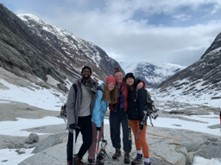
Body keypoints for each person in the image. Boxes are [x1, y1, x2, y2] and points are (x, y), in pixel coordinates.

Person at [66, 66, 98, 165]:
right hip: (76, 119)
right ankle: (70, 161)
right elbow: (70, 105)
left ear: (90, 73)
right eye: (84, 71)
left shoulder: (93, 86)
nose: (86, 73)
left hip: (87, 118)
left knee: (88, 141)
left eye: (88, 71)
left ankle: (78, 158)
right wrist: (71, 121)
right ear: (81, 73)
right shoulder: (76, 86)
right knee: (71, 142)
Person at [88, 75, 118, 164]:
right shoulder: (101, 92)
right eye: (110, 83)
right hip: (95, 120)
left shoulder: (108, 92)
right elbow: (96, 109)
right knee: (94, 139)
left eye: (113, 84)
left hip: (99, 120)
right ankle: (91, 158)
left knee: (98, 138)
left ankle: (94, 156)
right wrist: (97, 123)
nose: (111, 85)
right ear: (107, 83)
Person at [125, 72, 151, 165]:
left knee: (142, 138)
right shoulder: (129, 89)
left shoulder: (140, 89)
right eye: (127, 79)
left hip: (140, 119)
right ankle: (139, 155)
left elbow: (142, 105)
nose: (129, 80)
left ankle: (147, 160)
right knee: (136, 137)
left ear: (134, 79)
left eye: (131, 78)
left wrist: (142, 120)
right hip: (132, 118)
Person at [109, 68, 132, 164]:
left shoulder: (127, 84)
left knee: (127, 133)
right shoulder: (112, 84)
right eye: (116, 76)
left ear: (123, 76)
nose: (118, 77)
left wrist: (142, 83)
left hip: (125, 112)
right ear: (114, 77)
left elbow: (136, 82)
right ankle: (117, 149)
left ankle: (127, 152)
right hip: (114, 111)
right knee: (114, 131)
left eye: (120, 75)